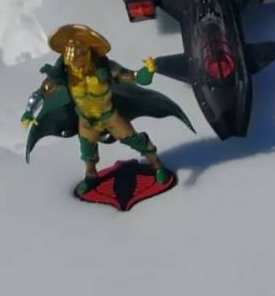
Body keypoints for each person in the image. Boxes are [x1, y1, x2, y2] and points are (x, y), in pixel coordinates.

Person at [21, 24, 191, 195]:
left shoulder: (106, 68)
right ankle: (91, 175)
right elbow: (42, 92)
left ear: (87, 56)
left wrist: (148, 71)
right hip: (86, 120)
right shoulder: (63, 74)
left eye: (78, 64)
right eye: (72, 65)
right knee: (87, 152)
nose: (77, 70)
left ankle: (156, 164)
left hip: (110, 116)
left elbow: (133, 77)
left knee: (135, 140)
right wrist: (29, 110)